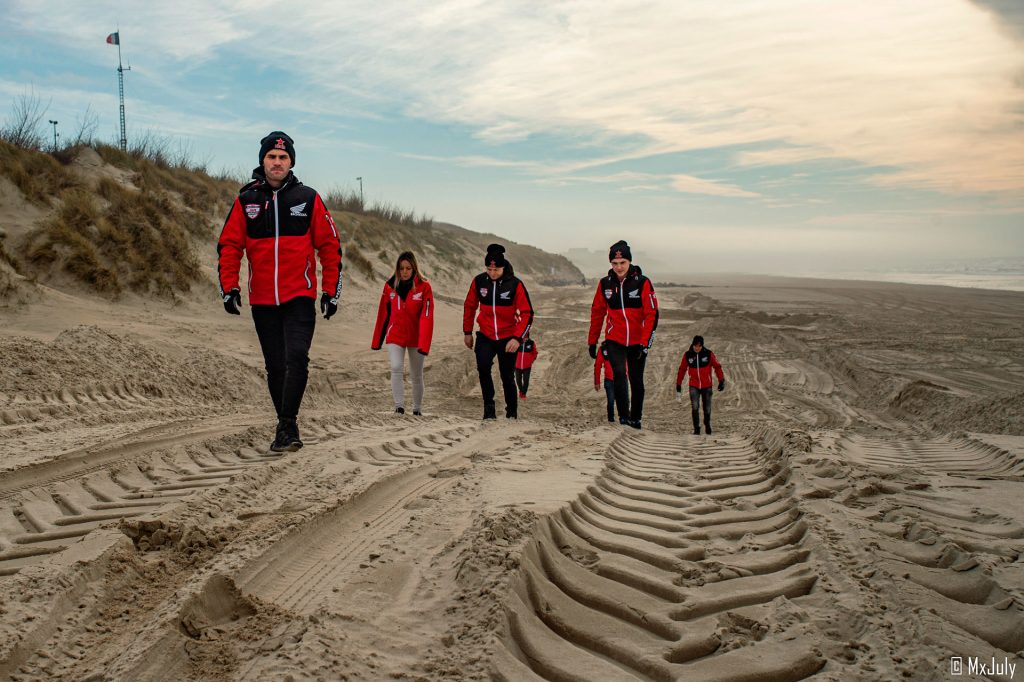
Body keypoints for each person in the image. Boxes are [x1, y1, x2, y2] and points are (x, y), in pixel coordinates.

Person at [217, 131, 342, 452]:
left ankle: (287, 423)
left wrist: (330, 291)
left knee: (296, 358)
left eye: (283, 158)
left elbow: (330, 246)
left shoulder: (308, 198)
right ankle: (285, 423)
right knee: (275, 365)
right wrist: (228, 287)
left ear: (291, 163)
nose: (277, 162)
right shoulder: (246, 200)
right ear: (262, 160)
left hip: (300, 295)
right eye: (272, 157)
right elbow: (229, 245)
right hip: (262, 299)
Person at [588, 240, 659, 429]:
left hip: (637, 341)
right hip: (615, 339)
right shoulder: (605, 284)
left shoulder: (642, 282)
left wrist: (646, 343)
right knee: (619, 374)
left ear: (629, 262)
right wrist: (592, 341)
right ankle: (623, 417)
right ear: (611, 264)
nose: (619, 267)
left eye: (623, 263)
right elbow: (597, 312)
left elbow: (652, 313)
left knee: (636, 380)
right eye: (615, 263)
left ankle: (636, 418)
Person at [463, 244, 535, 420]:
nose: (492, 273)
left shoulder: (515, 284)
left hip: (508, 337)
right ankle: (489, 409)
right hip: (485, 335)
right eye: (489, 269)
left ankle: (512, 412)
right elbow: (470, 306)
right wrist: (467, 331)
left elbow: (527, 313)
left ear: (503, 267)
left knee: (507, 375)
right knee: (483, 367)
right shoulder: (479, 281)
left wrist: (517, 338)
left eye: (496, 269)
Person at [371, 251, 434, 415]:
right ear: (397, 269)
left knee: (416, 375)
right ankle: (399, 407)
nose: (404, 272)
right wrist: (377, 341)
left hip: (416, 337)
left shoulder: (424, 287)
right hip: (395, 335)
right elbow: (383, 314)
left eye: (408, 268)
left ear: (414, 269)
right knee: (396, 367)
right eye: (401, 268)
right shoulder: (389, 286)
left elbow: (427, 316)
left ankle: (417, 409)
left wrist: (424, 344)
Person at [676, 335, 725, 435]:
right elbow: (682, 369)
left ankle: (707, 424)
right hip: (693, 385)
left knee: (707, 408)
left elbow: (717, 367)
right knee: (695, 407)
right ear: (693, 345)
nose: (697, 348)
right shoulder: (688, 355)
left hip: (707, 386)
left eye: (699, 346)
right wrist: (678, 384)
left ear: (702, 345)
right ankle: (696, 429)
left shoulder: (708, 354)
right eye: (695, 345)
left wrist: (721, 380)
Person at [593, 340, 625, 423]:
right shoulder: (603, 349)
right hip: (609, 380)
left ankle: (623, 418)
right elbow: (598, 365)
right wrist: (597, 382)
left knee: (623, 400)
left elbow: (627, 362)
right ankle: (611, 420)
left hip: (621, 379)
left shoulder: (623, 345)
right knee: (611, 401)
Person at [514, 335, 538, 400]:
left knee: (526, 380)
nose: (524, 337)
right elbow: (513, 353)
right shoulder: (517, 342)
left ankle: (523, 394)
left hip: (527, 367)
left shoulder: (531, 343)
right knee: (518, 380)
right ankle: (521, 391)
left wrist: (531, 361)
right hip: (517, 366)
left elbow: (535, 353)